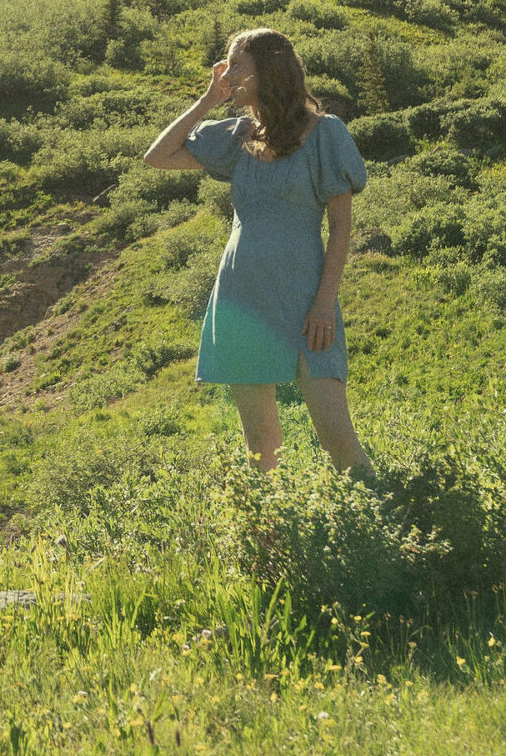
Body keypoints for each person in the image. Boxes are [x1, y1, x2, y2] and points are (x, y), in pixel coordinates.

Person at [143, 27, 372, 475]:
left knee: (337, 437)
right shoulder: (238, 136)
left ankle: (389, 527)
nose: (227, 72)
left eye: (236, 64)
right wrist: (209, 98)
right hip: (241, 298)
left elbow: (341, 226)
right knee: (260, 447)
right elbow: (158, 155)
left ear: (268, 70)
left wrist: (324, 303)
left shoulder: (325, 134)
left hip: (305, 297)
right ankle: (271, 540)